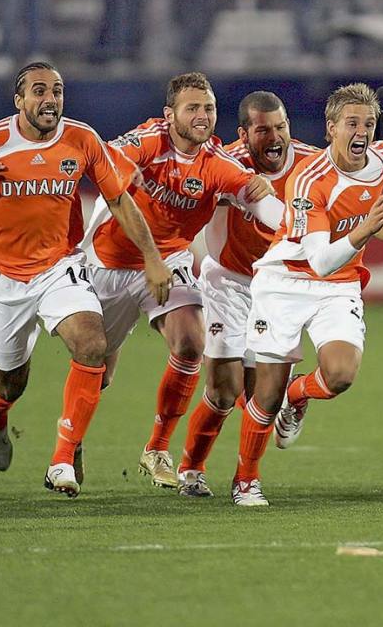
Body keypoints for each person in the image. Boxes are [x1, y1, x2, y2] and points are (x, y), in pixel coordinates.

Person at [0, 61, 166, 498]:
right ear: (19, 100)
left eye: (58, 91)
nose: (51, 100)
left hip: (58, 267)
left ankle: (62, 458)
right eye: (40, 91)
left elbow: (119, 199)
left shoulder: (82, 139)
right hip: (1, 280)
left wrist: (152, 256)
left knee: (92, 343)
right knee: (12, 381)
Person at [230, 83, 383, 506]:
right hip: (286, 284)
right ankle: (245, 479)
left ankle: (298, 395)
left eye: (367, 123)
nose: (361, 131)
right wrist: (371, 228)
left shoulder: (378, 155)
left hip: (338, 286)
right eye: (351, 123)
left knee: (341, 374)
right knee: (264, 396)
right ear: (331, 129)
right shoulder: (310, 181)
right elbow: (320, 260)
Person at [80, 72, 278, 488]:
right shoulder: (148, 141)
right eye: (193, 108)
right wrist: (119, 169)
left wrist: (287, 218)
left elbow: (260, 204)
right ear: (170, 115)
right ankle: (71, 444)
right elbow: (104, 159)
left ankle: (156, 449)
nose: (203, 116)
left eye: (208, 108)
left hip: (169, 260)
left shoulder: (220, 165)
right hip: (108, 262)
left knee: (191, 341)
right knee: (99, 368)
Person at [175, 91, 317, 496]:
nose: (275, 137)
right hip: (228, 281)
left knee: (263, 398)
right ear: (244, 133)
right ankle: (192, 469)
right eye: (263, 130)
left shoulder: (311, 165)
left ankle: (289, 402)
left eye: (281, 127)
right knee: (223, 388)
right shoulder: (224, 165)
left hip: (279, 287)